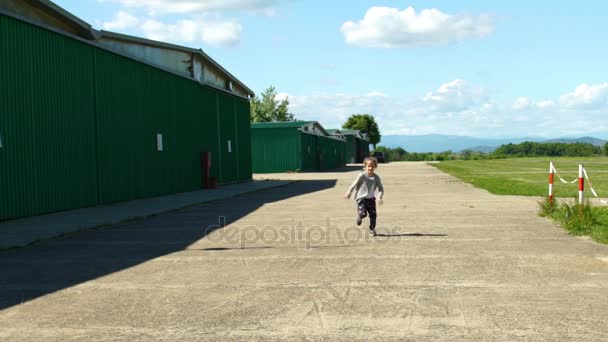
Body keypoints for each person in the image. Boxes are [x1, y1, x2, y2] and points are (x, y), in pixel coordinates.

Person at [344, 156, 384, 236]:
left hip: (371, 199)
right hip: (361, 199)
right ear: (365, 166)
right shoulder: (362, 175)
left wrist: (379, 197)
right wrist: (349, 192)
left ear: (375, 167)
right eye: (368, 166)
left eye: (372, 166)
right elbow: (354, 184)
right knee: (363, 213)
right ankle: (360, 216)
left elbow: (381, 189)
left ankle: (372, 229)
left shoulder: (376, 178)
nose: (370, 168)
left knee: (373, 215)